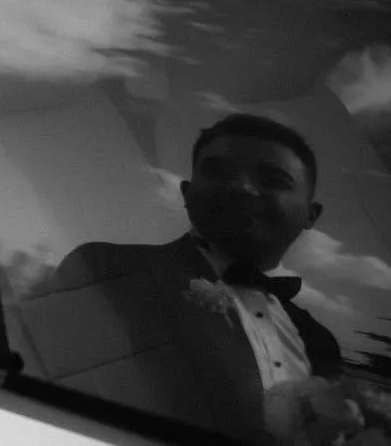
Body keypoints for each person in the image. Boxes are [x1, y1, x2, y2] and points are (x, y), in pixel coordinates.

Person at [41, 114, 340, 443]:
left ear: (311, 215)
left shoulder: (318, 340)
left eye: (273, 179)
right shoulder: (107, 270)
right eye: (219, 172)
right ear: (187, 192)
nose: (242, 187)